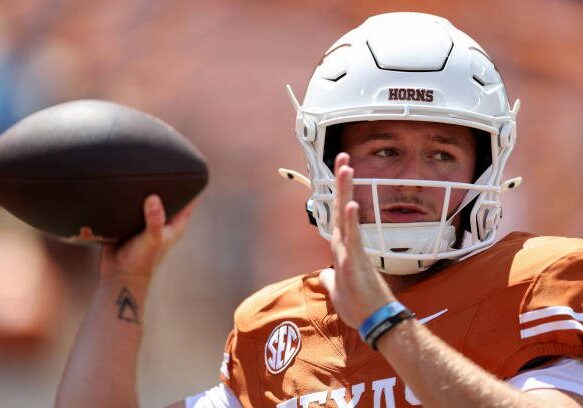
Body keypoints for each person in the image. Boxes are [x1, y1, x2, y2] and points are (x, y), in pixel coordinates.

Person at [55, 12, 583, 408]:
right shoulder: (277, 325)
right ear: (326, 161)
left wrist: (386, 324)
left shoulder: (539, 286)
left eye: (442, 154)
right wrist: (125, 279)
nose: (411, 178)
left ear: (483, 169)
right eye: (385, 151)